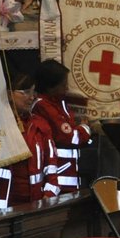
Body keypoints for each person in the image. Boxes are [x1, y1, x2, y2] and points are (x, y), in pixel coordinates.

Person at [0, 71, 43, 209]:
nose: (31, 98)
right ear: (9, 93)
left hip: (30, 202)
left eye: (33, 92)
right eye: (26, 92)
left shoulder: (35, 123)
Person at [31, 59, 90, 197]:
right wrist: (85, 128)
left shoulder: (58, 102)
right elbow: (70, 138)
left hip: (69, 176)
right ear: (51, 87)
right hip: (58, 178)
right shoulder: (43, 106)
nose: (67, 89)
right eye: (63, 85)